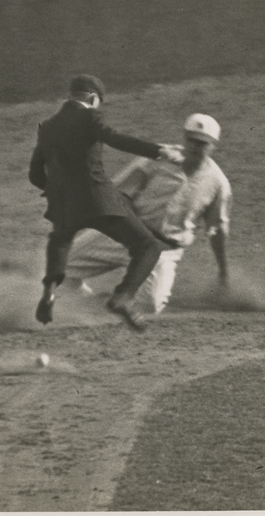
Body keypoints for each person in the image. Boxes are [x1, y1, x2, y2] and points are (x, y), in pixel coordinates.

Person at [28, 74, 183, 330]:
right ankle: (122, 297)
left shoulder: (47, 126)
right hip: (99, 200)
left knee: (61, 245)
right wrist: (158, 151)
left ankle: (48, 295)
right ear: (92, 97)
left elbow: (35, 175)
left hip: (65, 206)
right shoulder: (90, 116)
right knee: (148, 246)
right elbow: (114, 137)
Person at [65, 113, 231, 315]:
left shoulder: (217, 183)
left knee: (150, 306)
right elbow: (121, 193)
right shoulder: (158, 157)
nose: (196, 146)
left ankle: (106, 308)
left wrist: (223, 271)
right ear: (184, 138)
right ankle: (92, 302)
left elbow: (217, 231)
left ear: (214, 145)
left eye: (203, 143)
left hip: (163, 250)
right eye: (192, 140)